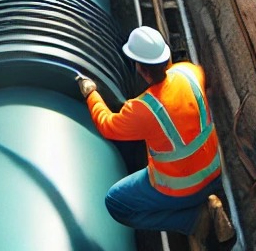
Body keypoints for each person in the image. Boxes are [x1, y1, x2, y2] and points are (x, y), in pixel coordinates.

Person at [77, 26, 234, 249]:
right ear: (166, 57)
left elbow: (107, 125)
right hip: (215, 174)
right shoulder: (189, 72)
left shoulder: (141, 110)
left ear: (140, 69)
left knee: (116, 203)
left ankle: (195, 220)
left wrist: (91, 93)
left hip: (182, 188)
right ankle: (208, 202)